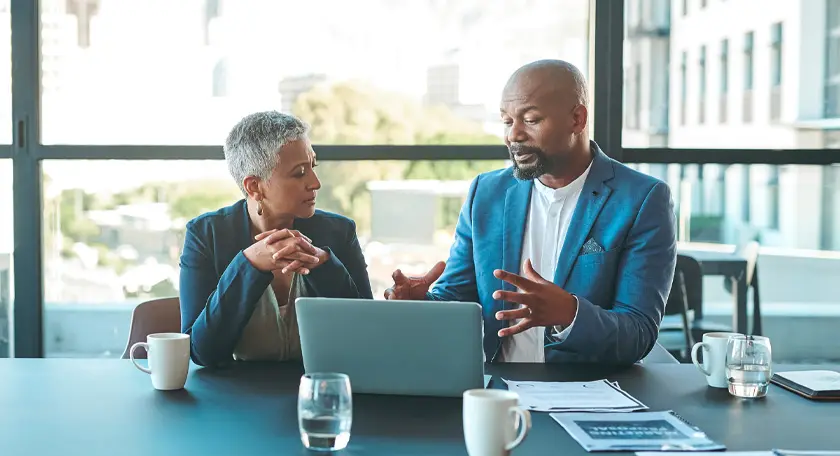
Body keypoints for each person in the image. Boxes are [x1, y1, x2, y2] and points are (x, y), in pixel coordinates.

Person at [385, 60, 676, 365]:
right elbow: (457, 299)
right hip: (498, 389)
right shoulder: (485, 193)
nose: (514, 135)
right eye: (507, 121)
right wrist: (421, 306)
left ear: (577, 119)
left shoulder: (643, 199)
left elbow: (639, 332)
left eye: (531, 119)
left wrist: (570, 314)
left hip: (589, 393)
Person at [180, 111, 373, 367]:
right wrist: (248, 265)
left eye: (312, 167)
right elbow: (201, 352)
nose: (315, 183)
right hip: (235, 397)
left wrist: (324, 265)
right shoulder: (205, 235)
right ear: (254, 187)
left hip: (320, 388)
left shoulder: (340, 232)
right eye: (299, 173)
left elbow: (366, 335)